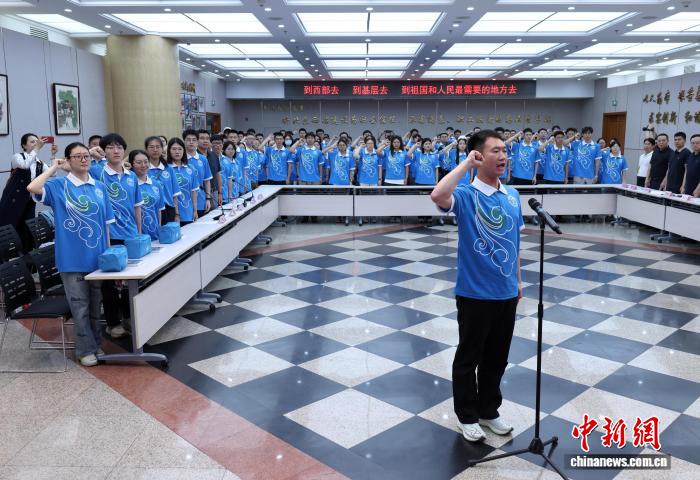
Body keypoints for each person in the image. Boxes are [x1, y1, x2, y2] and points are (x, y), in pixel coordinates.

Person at [430, 129, 522, 443]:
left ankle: (488, 410)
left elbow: (515, 242)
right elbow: (438, 196)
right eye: (495, 151)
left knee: (497, 357)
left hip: (506, 291)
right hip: (474, 293)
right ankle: (467, 416)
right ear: (479, 156)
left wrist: (518, 281)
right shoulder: (467, 195)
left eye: (504, 150)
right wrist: (466, 164)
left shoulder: (512, 195)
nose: (503, 156)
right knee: (469, 358)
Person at [27, 142, 114, 367]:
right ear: (68, 160)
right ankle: (84, 350)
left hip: (98, 258)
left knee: (95, 306)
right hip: (72, 259)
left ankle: (95, 344)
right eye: (78, 156)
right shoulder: (59, 186)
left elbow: (106, 225)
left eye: (86, 156)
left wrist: (108, 254)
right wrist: (54, 167)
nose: (84, 160)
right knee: (80, 307)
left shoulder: (99, 186)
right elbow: (33, 187)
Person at [89, 133, 142, 339]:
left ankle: (128, 317)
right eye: (110, 147)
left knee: (130, 282)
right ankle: (113, 323)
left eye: (119, 147)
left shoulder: (131, 176)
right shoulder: (97, 172)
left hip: (130, 235)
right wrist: (91, 154)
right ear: (104, 151)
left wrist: (138, 233)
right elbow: (71, 167)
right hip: (108, 236)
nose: (116, 150)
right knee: (110, 283)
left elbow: (137, 207)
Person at [0, 133, 58, 252]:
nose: (36, 143)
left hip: (29, 200)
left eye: (37, 141)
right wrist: (37, 149)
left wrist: (53, 155)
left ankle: (27, 257)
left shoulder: (39, 163)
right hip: (13, 200)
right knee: (7, 227)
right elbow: (25, 165)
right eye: (32, 142)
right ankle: (3, 258)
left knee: (27, 229)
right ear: (24, 145)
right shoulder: (17, 157)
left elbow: (53, 173)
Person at [145, 136, 180, 224]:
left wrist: (176, 213)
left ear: (162, 149)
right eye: (151, 147)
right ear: (146, 150)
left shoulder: (169, 169)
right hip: (150, 210)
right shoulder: (143, 169)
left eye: (158, 147)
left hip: (168, 209)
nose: (155, 150)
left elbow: (174, 194)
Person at [131, 149, 165, 240]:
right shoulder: (130, 185)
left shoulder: (156, 184)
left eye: (146, 162)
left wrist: (159, 228)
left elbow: (159, 209)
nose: (143, 165)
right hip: (137, 235)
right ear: (132, 164)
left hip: (155, 233)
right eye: (139, 162)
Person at [167, 137, 199, 226]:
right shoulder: (165, 169)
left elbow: (193, 191)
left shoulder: (190, 168)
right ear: (169, 151)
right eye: (174, 149)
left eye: (180, 149)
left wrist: (195, 210)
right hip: (171, 213)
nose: (177, 152)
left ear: (184, 151)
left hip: (188, 211)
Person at [183, 129, 212, 217]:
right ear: (184, 141)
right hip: (184, 202)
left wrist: (208, 199)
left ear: (197, 142)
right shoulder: (180, 159)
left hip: (200, 200)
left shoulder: (203, 159)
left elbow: (207, 181)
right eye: (188, 140)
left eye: (194, 140)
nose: (191, 142)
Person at [197, 129, 221, 208]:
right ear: (197, 140)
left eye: (207, 138)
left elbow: (218, 174)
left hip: (214, 192)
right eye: (202, 138)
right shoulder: (194, 157)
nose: (205, 141)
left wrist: (220, 193)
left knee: (215, 213)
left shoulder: (214, 155)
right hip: (200, 193)